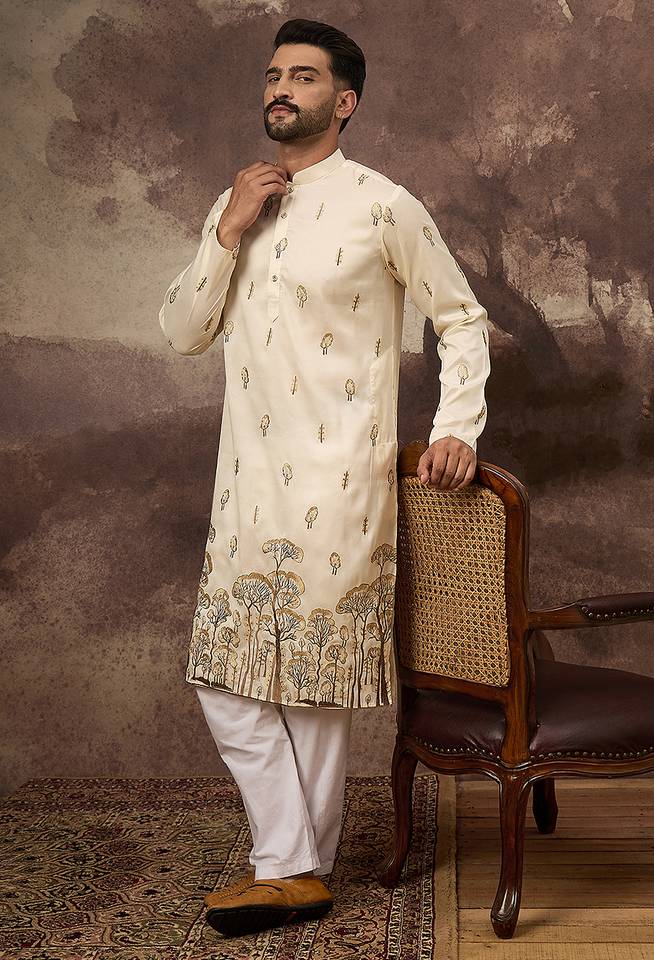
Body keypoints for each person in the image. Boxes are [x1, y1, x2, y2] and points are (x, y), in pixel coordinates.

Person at [158, 17, 491, 938]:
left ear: (343, 102)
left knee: (312, 683)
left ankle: (287, 869)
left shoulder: (384, 205)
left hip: (340, 483)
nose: (281, 88)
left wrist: (456, 427)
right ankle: (296, 866)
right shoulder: (238, 205)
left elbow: (462, 319)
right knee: (228, 677)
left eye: (303, 76)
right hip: (244, 487)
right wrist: (226, 230)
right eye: (274, 74)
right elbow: (182, 332)